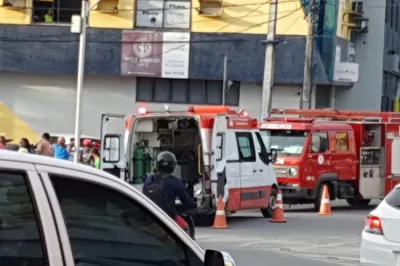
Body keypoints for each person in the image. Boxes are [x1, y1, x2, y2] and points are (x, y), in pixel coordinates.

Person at [143, 151, 197, 232]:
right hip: (167, 217)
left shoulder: (149, 179)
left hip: (149, 215)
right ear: (173, 165)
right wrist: (194, 204)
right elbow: (186, 201)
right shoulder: (176, 182)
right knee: (185, 227)